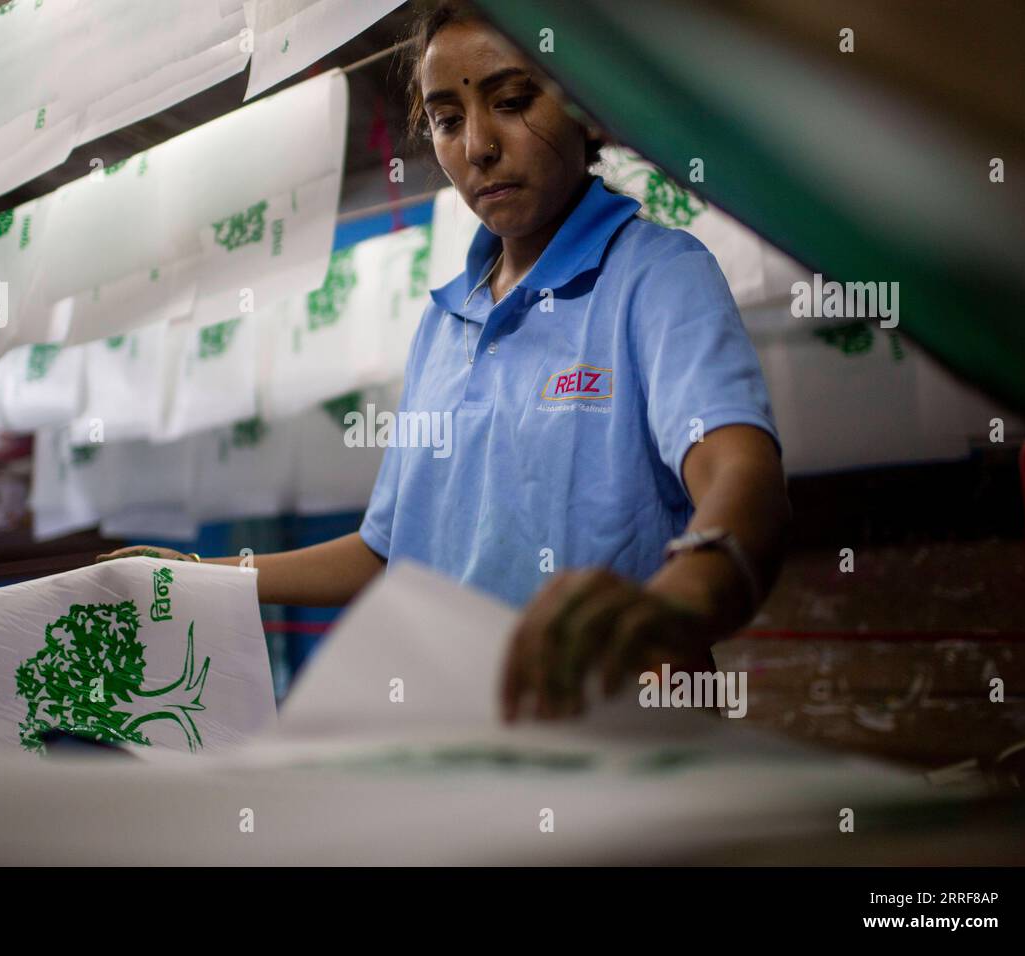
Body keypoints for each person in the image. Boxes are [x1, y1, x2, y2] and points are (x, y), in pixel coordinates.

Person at [99, 2, 791, 723]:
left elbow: (743, 476)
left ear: (587, 110)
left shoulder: (655, 275)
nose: (479, 146)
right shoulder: (444, 319)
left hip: (612, 724)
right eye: (448, 120)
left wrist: (674, 603)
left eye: (513, 102)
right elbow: (388, 552)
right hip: (459, 728)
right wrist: (208, 579)